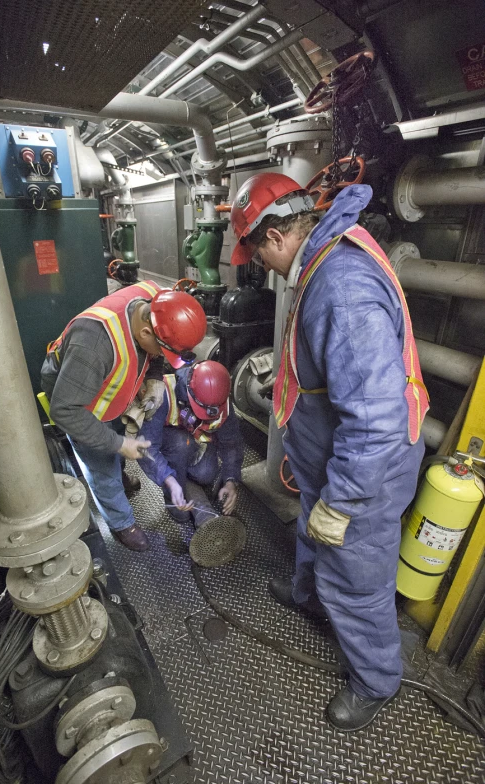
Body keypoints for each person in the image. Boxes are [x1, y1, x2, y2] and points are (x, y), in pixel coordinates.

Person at [230, 175, 429, 731]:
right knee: (312, 536)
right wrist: (292, 385)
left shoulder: (340, 287)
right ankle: (309, 595)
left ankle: (376, 680)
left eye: (255, 253)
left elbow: (374, 419)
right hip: (332, 457)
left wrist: (343, 503)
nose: (260, 265)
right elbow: (334, 369)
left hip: (365, 470)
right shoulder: (325, 258)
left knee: (356, 576)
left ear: (273, 237)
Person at [41, 281, 207, 551]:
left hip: (108, 385)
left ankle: (117, 473)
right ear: (145, 333)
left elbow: (157, 353)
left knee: (116, 433)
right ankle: (121, 523)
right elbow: (65, 411)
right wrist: (118, 445)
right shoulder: (93, 345)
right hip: (77, 399)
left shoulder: (158, 300)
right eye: (163, 350)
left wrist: (153, 378)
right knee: (101, 462)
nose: (163, 356)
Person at [139, 360, 244, 527]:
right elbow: (146, 448)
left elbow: (231, 443)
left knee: (206, 474)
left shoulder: (220, 400)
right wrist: (169, 481)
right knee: (182, 444)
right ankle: (173, 485)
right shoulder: (163, 394)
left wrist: (231, 480)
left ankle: (185, 476)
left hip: (198, 442)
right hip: (172, 444)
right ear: (188, 394)